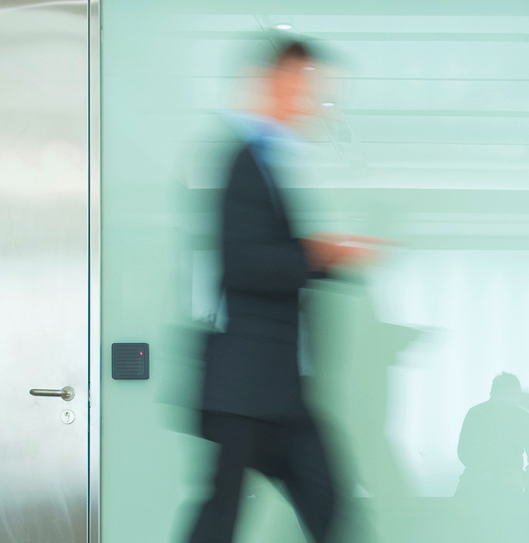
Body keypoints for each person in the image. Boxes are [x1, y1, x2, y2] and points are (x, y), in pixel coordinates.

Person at [184, 38, 376, 543]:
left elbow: (269, 255)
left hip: (279, 388)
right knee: (221, 520)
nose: (310, 99)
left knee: (327, 508)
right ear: (273, 83)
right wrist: (319, 255)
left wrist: (320, 256)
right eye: (303, 86)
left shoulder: (271, 161)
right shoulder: (244, 161)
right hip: (246, 387)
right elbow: (242, 263)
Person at [454, 372, 529, 497]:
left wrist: (527, 478)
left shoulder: (475, 413)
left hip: (499, 474)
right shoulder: (523, 417)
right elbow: (463, 450)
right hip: (485, 473)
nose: (508, 401)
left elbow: (463, 450)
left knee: (462, 500)